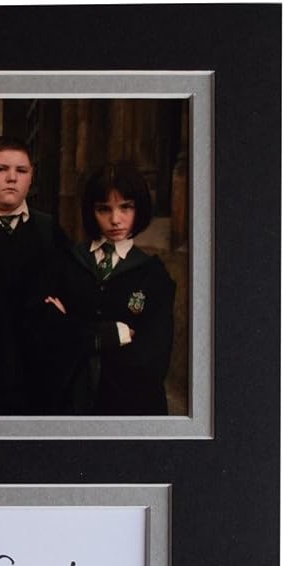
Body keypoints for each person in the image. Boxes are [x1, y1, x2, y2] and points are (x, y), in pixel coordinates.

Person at [43, 162, 176, 414]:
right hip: (71, 400)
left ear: (139, 208)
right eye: (104, 209)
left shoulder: (153, 275)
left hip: (128, 405)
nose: (115, 220)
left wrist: (74, 330)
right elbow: (48, 334)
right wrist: (110, 335)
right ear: (91, 211)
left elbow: (153, 355)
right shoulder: (66, 263)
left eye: (125, 207)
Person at [0, 136, 70, 411]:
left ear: (31, 176)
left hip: (37, 377)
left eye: (21, 170)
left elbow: (72, 287)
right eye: (1, 169)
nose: (12, 178)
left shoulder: (49, 230)